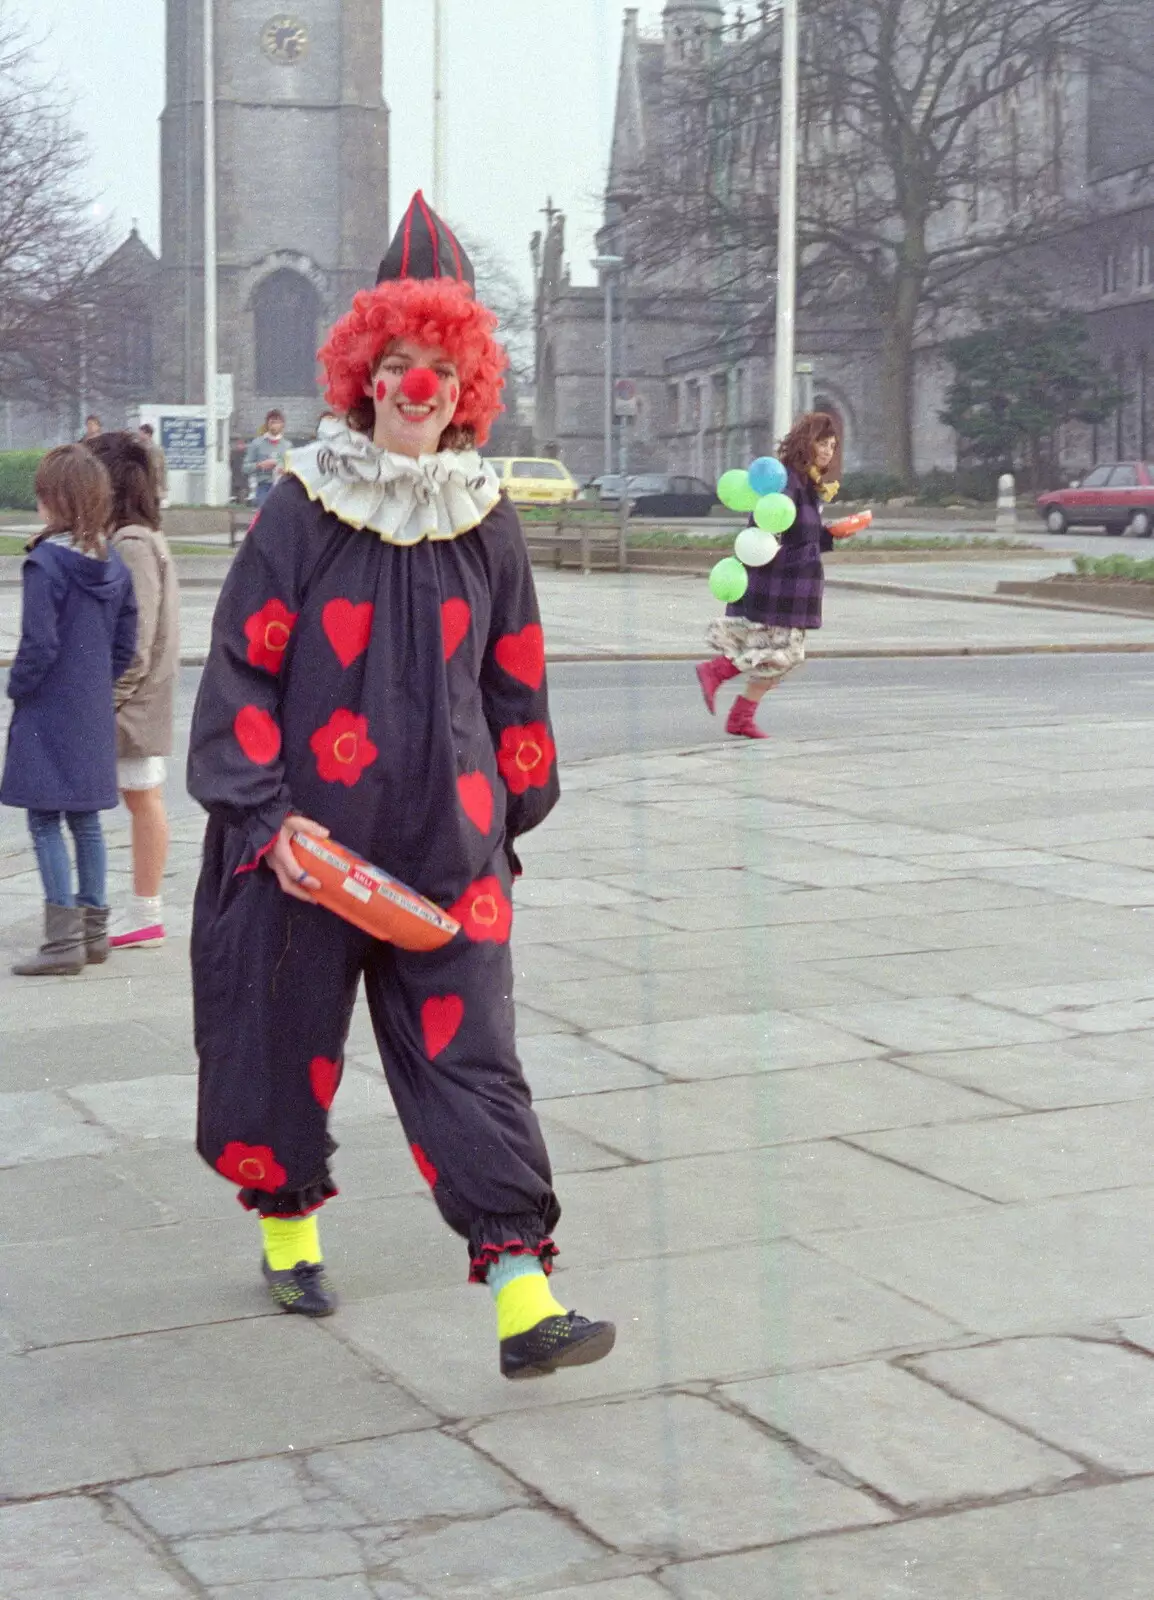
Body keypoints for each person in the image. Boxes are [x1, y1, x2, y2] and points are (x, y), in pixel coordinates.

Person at [186, 192, 615, 1379]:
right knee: (280, 1047)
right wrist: (261, 817)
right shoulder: (299, 505)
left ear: (467, 387)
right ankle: (288, 1227)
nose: (416, 385)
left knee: (475, 1062)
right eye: (397, 363)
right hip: (304, 850)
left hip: (448, 850)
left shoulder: (487, 523)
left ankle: (524, 1294)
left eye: (440, 366)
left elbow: (515, 678)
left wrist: (507, 811)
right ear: (362, 373)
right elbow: (240, 670)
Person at [1, 446, 137, 974]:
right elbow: (128, 640)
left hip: (48, 710)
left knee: (43, 820)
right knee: (86, 821)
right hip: (91, 711)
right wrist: (95, 682)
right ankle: (93, 934)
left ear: (54, 501)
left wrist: (19, 688)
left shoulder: (45, 564)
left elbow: (37, 644)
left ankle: (60, 945)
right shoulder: (113, 563)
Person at [84, 431, 180, 949]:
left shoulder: (133, 544)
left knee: (143, 800)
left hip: (133, 706)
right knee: (143, 799)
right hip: (140, 700)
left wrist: (106, 702)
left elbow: (134, 641)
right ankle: (141, 907)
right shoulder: (138, 538)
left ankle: (144, 910)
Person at [696, 412, 842, 739]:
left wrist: (831, 535)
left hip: (794, 589)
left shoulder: (806, 485)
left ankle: (741, 716)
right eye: (822, 442)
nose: (828, 451)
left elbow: (803, 536)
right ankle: (718, 673)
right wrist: (814, 548)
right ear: (806, 442)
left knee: (779, 658)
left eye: (832, 445)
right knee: (786, 655)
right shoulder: (785, 484)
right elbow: (768, 543)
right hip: (779, 588)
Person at [242, 410, 291, 507]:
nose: (274, 425)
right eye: (272, 422)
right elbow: (245, 468)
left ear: (282, 425)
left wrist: (284, 470)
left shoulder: (287, 446)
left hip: (282, 487)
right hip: (263, 487)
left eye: (278, 422)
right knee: (265, 515)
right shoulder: (257, 444)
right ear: (267, 424)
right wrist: (260, 465)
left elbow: (292, 469)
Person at [138, 423, 169, 507]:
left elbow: (160, 468)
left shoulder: (156, 449)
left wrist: (163, 487)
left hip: (153, 482)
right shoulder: (138, 447)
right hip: (142, 481)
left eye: (141, 433)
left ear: (148, 434)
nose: (139, 435)